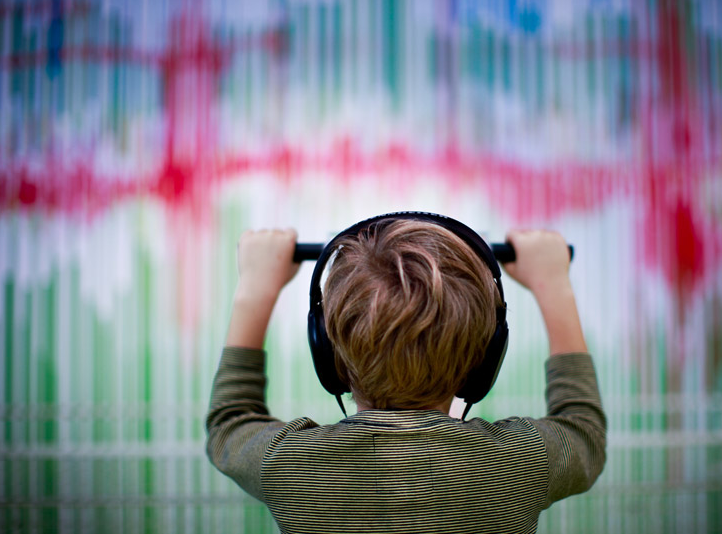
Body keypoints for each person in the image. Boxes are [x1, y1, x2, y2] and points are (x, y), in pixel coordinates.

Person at [206, 217, 606, 534]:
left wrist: (254, 288)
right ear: (483, 361)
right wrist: (553, 284)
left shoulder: (289, 464)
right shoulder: (520, 462)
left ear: (328, 355)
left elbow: (231, 424)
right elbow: (582, 432)